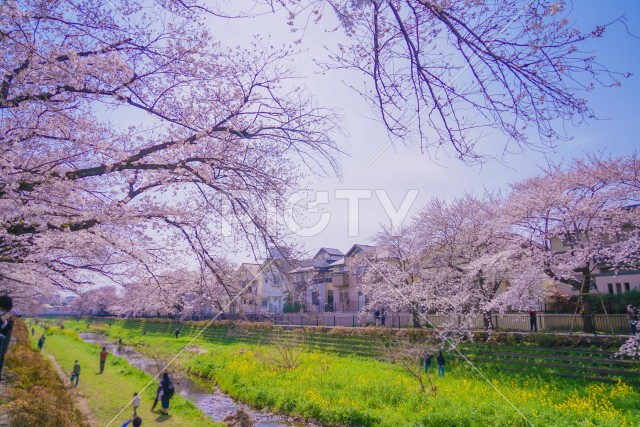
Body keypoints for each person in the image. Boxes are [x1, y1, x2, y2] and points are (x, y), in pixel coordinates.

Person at [0, 295, 15, 380]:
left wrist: (10, 322)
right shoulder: (3, 316)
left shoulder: (4, 315)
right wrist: (3, 318)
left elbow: (3, 332)